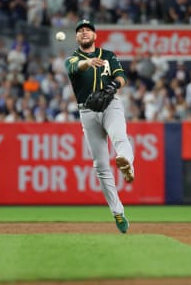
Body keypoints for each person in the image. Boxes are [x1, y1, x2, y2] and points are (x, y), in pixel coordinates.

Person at [64, 19, 134, 234]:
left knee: (119, 136)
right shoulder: (72, 59)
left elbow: (121, 77)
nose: (84, 32)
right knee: (100, 166)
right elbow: (75, 67)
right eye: (80, 31)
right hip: (87, 112)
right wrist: (88, 63)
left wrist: (113, 85)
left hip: (110, 105)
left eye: (88, 30)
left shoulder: (109, 55)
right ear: (77, 37)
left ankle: (126, 163)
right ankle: (118, 212)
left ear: (95, 35)